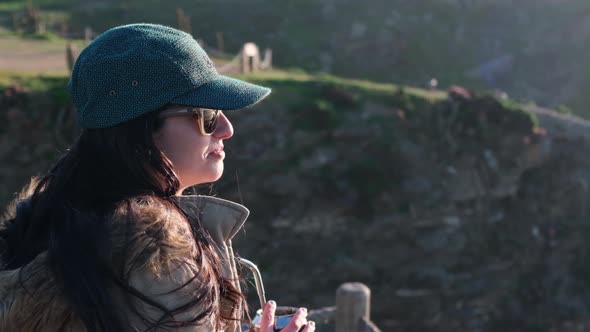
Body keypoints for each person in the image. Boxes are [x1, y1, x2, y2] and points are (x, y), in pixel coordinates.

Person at [0, 23, 315, 332]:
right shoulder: (157, 260)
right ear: (142, 130)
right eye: (207, 115)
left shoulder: (37, 228)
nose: (226, 129)